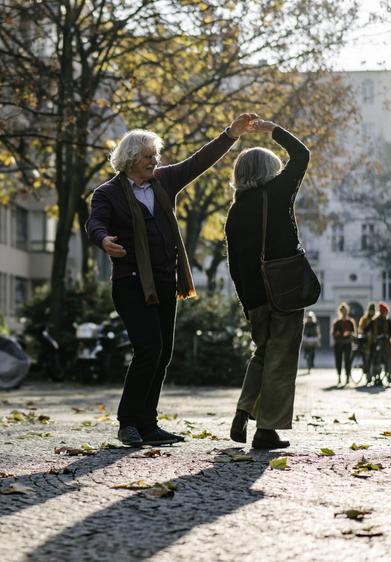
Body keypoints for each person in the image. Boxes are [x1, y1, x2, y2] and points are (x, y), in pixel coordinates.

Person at [85, 113, 260, 447]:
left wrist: (230, 134)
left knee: (162, 353)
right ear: (131, 159)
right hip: (131, 282)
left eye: (155, 155)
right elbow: (95, 223)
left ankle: (148, 424)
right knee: (148, 348)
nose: (155, 161)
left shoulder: (163, 181)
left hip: (165, 280)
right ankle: (128, 422)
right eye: (148, 156)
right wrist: (103, 239)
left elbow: (199, 161)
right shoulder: (108, 193)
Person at [225, 119, 310, 450]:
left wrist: (248, 305)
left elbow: (234, 266)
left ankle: (244, 409)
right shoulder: (277, 194)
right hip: (285, 291)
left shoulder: (235, 212)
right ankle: (266, 430)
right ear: (269, 172)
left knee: (263, 352)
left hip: (255, 298)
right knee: (282, 359)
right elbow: (301, 155)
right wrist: (274, 130)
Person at [370, 302, 391, 385]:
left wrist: (390, 336)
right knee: (377, 360)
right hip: (377, 343)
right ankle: (376, 377)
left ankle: (389, 376)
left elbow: (390, 332)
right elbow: (370, 330)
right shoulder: (375, 321)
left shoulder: (387, 321)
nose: (386, 314)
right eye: (385, 312)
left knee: (390, 358)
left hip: (386, 344)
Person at [331, 303, 356, 385]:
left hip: (347, 343)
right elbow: (333, 333)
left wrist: (349, 333)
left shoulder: (350, 322)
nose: (344, 313)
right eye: (343, 311)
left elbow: (354, 334)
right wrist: (337, 334)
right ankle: (339, 377)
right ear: (340, 312)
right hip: (338, 344)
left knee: (347, 361)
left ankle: (347, 377)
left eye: (345, 311)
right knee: (338, 360)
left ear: (347, 312)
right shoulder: (337, 322)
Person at [357, 302, 377, 379]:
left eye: (373, 311)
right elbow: (361, 329)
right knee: (367, 358)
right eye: (371, 310)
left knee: (374, 358)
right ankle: (368, 375)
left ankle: (374, 373)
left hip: (374, 341)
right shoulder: (365, 319)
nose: (372, 312)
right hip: (366, 343)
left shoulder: (376, 319)